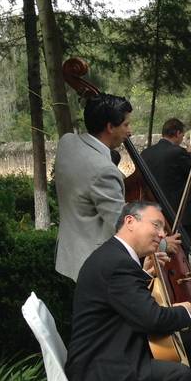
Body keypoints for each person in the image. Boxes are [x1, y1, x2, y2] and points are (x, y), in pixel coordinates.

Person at [65, 202, 191, 381]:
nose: (162, 234)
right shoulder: (116, 263)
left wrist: (143, 275)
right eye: (156, 225)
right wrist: (182, 311)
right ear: (130, 222)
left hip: (116, 345)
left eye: (163, 228)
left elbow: (123, 300)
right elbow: (152, 319)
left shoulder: (117, 255)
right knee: (176, 376)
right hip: (102, 367)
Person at [54, 93, 132, 282]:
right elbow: (120, 225)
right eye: (126, 125)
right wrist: (162, 244)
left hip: (68, 256)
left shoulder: (67, 143)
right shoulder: (104, 171)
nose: (130, 132)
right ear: (109, 127)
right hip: (95, 267)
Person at [140, 118, 191, 244]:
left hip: (153, 211)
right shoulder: (178, 152)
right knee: (180, 250)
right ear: (178, 133)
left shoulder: (145, 153)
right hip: (178, 212)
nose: (182, 138)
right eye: (182, 135)